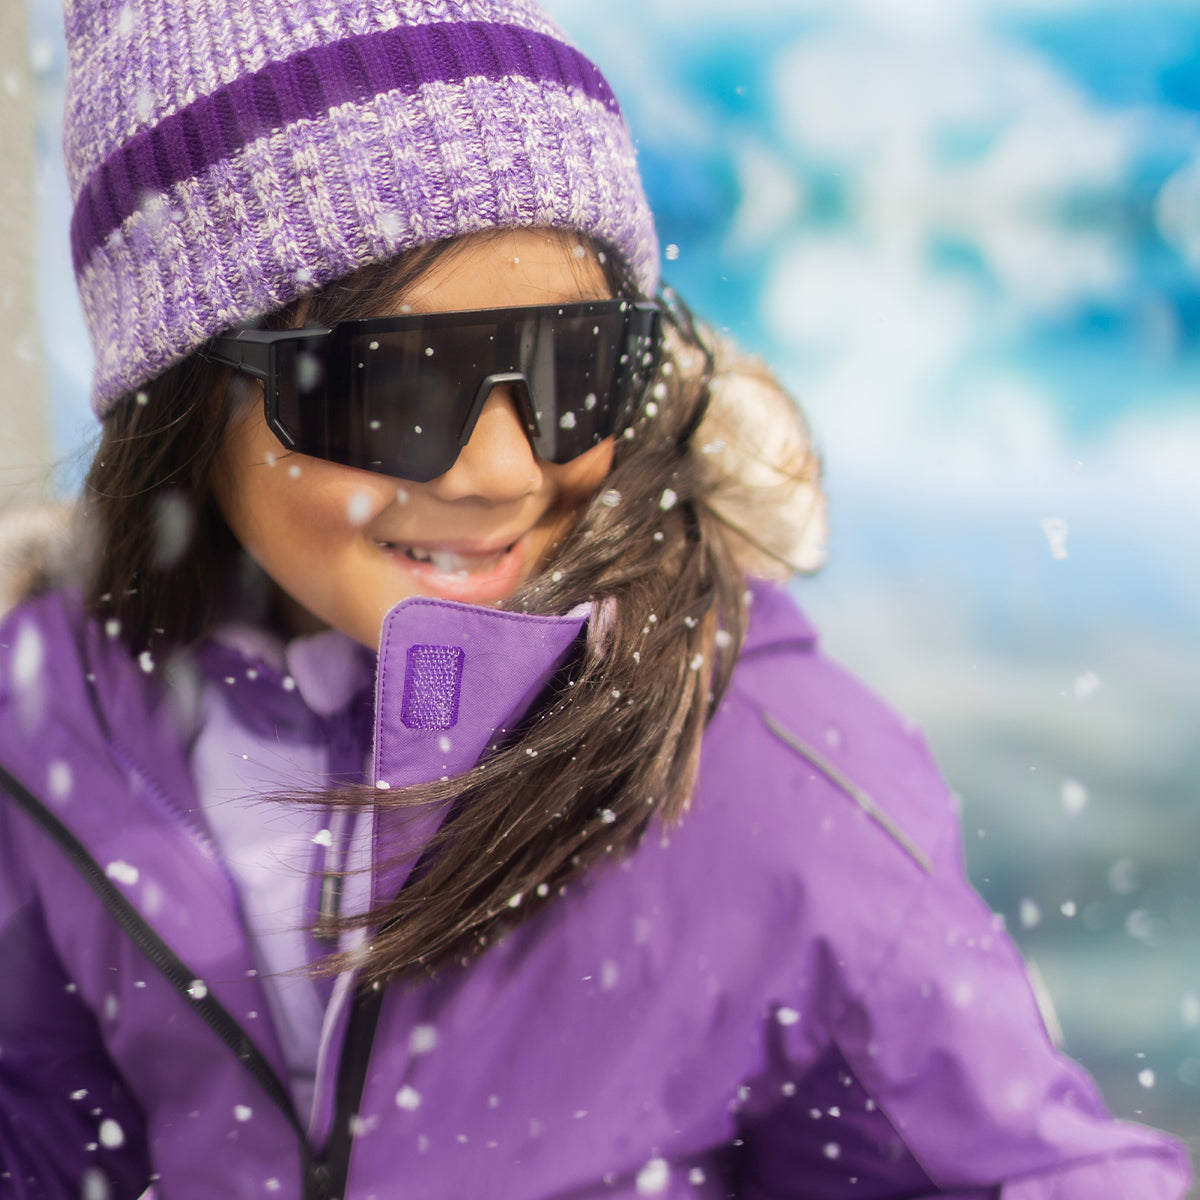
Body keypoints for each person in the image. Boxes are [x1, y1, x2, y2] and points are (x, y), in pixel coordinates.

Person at [0, 0, 1190, 1197]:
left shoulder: (767, 775)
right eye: (393, 388)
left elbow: (1026, 1170)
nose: (509, 471)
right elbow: (55, 1136)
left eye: (576, 371)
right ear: (183, 390)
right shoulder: (60, 713)